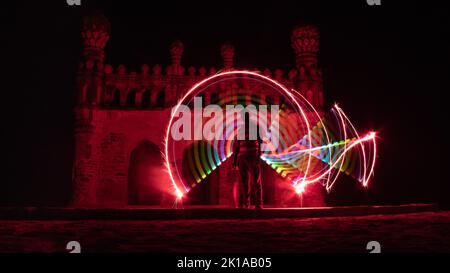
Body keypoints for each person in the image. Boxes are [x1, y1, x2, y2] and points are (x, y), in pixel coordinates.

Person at [232, 130, 263, 209]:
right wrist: (235, 161)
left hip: (249, 156)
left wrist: (258, 156)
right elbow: (237, 146)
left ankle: (256, 204)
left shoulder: (255, 128)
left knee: (253, 181)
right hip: (245, 157)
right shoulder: (242, 130)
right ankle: (248, 204)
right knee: (246, 182)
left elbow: (260, 143)